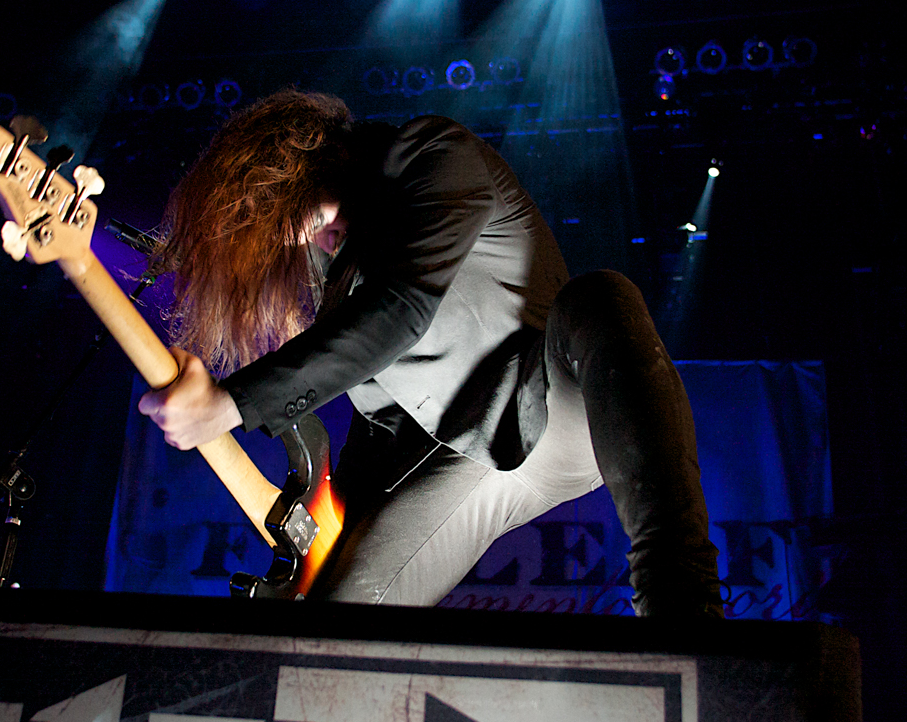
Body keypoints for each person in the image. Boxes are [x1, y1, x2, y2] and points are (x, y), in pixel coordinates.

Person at [139, 90, 723, 616]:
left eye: (302, 214)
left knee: (599, 295)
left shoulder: (432, 153)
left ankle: (682, 601)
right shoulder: (335, 259)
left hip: (553, 403)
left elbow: (402, 309)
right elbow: (381, 415)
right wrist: (336, 525)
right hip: (460, 461)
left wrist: (231, 404)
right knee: (332, 630)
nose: (312, 241)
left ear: (320, 157)